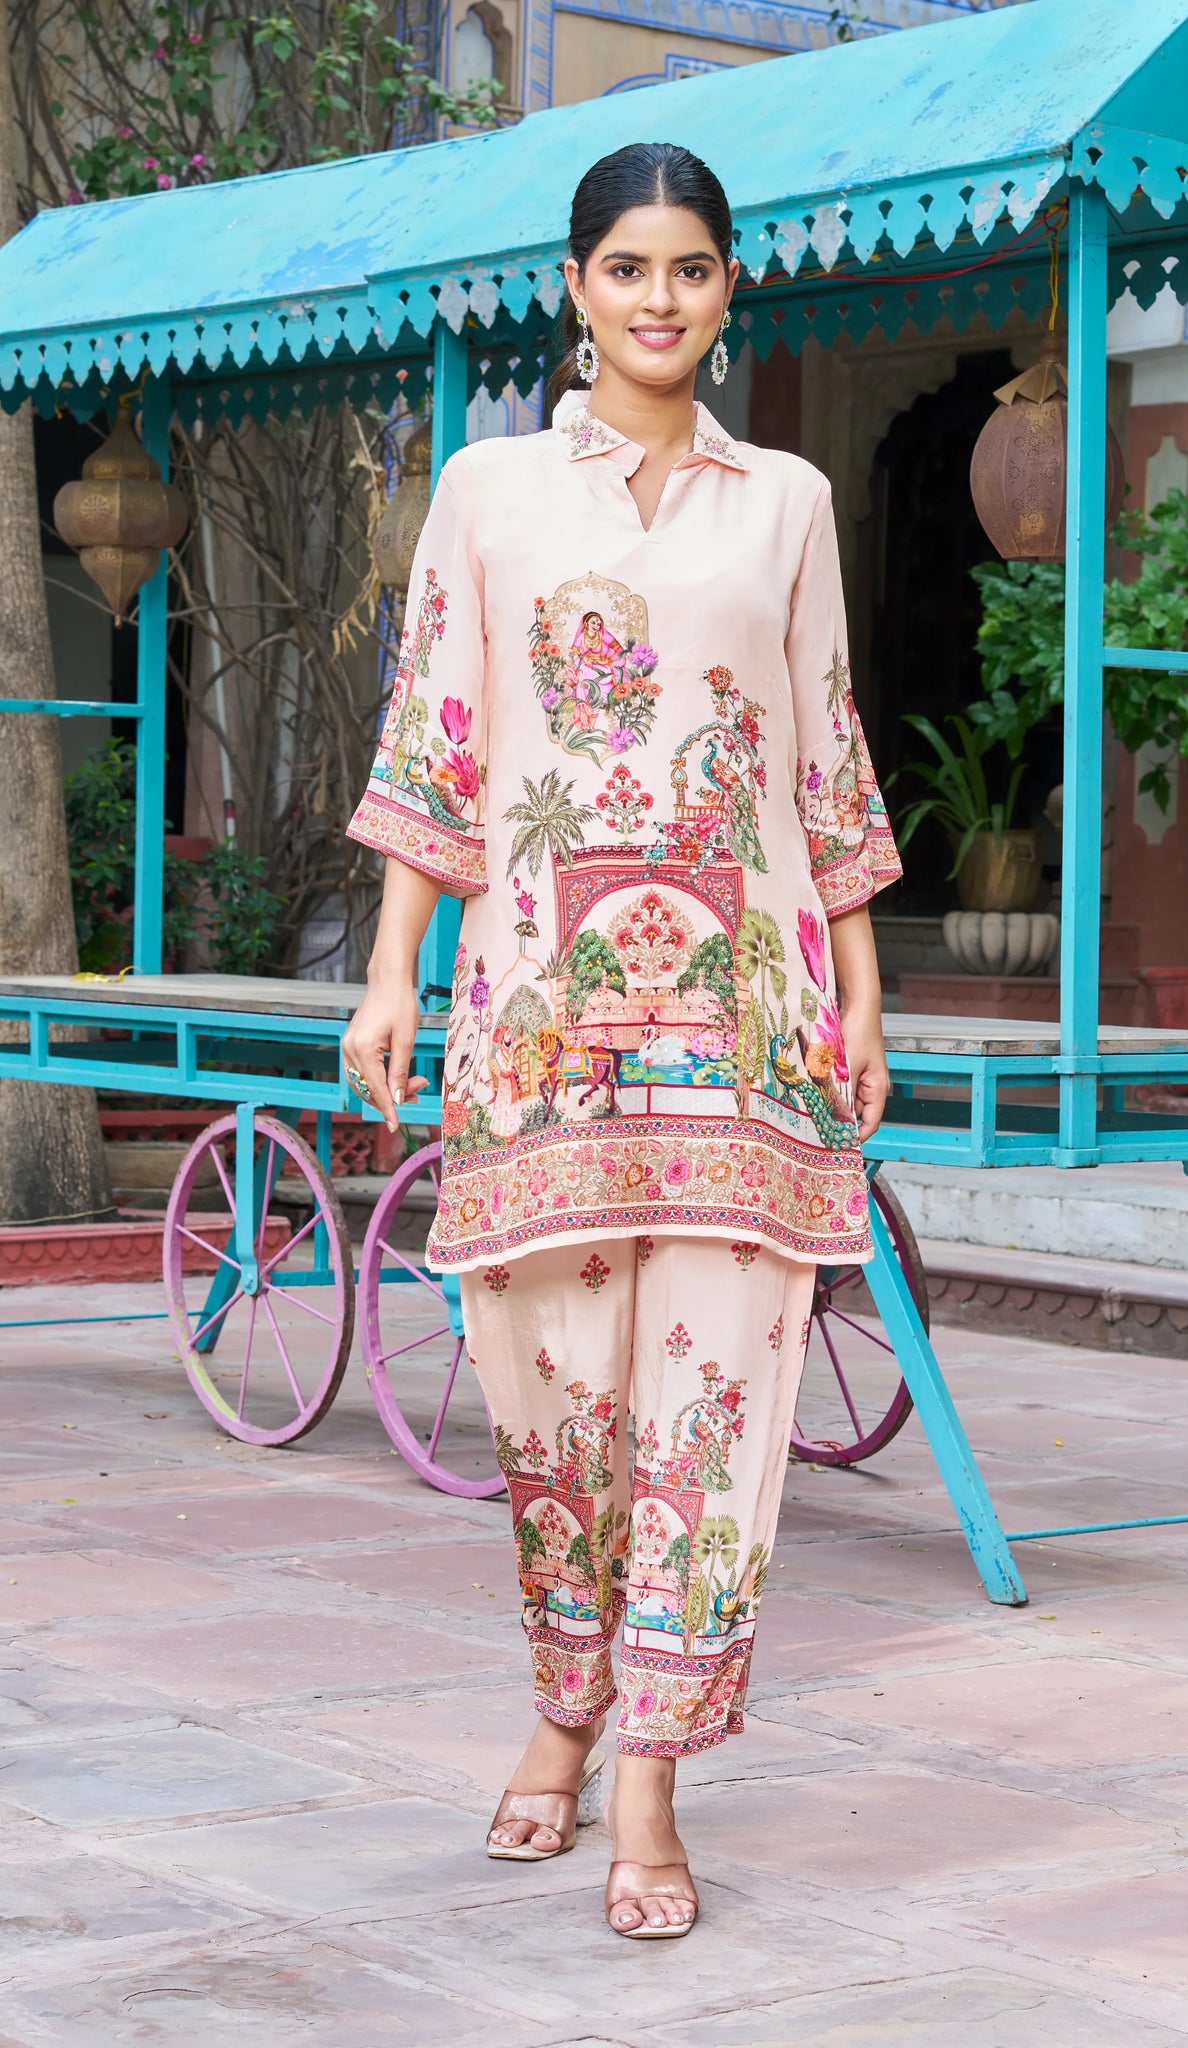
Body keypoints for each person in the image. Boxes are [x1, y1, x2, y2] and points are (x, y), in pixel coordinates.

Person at [341, 140, 901, 1940]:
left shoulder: (788, 500)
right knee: (556, 1402)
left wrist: (861, 989)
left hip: (751, 1025)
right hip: (535, 1019)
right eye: (629, 267)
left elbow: (822, 751)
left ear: (730, 288)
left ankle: (649, 1780)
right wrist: (389, 976)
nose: (662, 298)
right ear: (574, 285)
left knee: (713, 1408)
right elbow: (437, 735)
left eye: (693, 267)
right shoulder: (488, 490)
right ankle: (565, 1699)